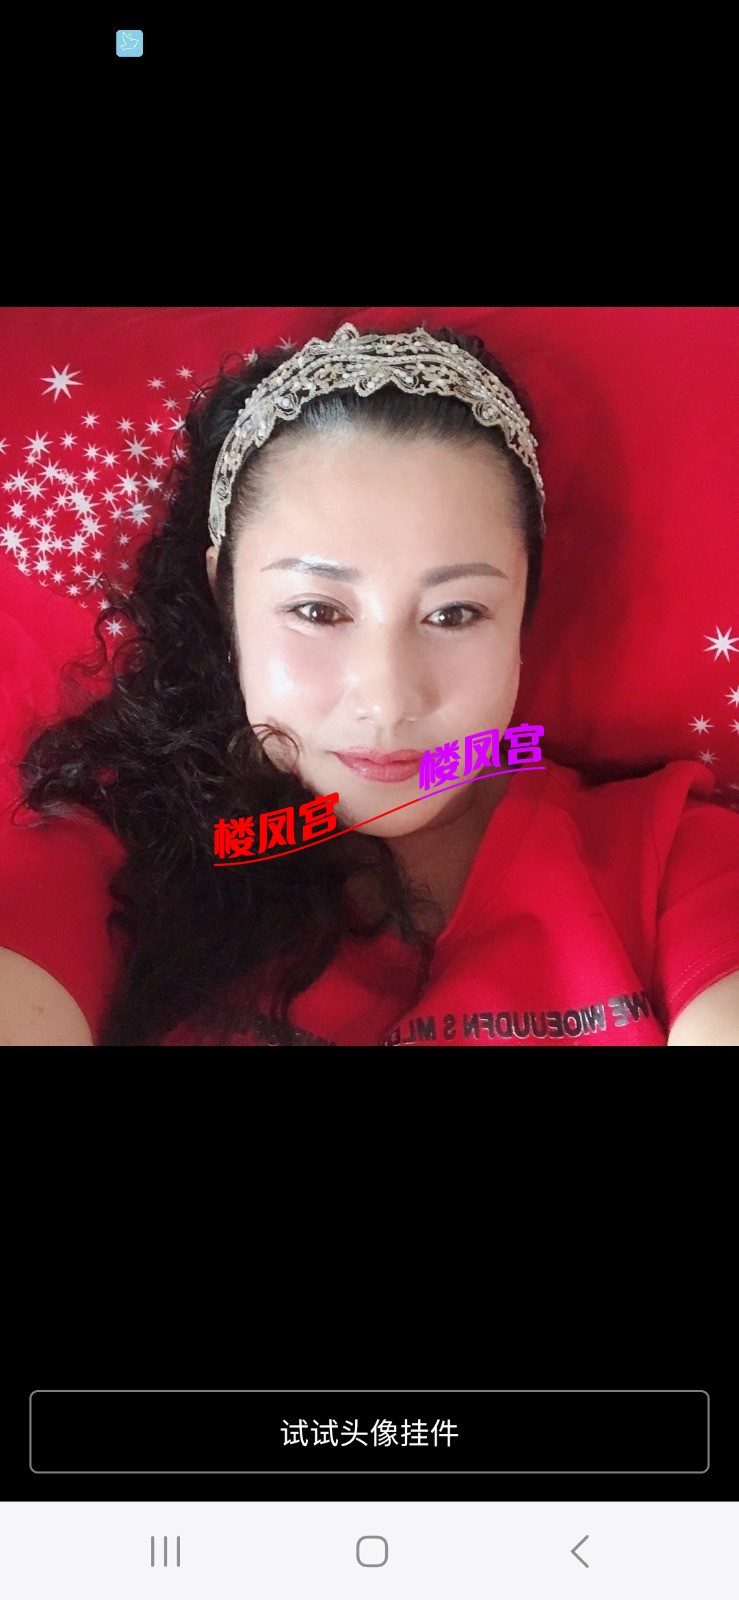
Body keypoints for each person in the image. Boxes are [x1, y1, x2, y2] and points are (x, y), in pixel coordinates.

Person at [1, 321, 738, 1047]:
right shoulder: (103, 867)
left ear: (523, 605)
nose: (388, 701)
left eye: (454, 613)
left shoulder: (669, 864)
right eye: (317, 611)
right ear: (224, 594)